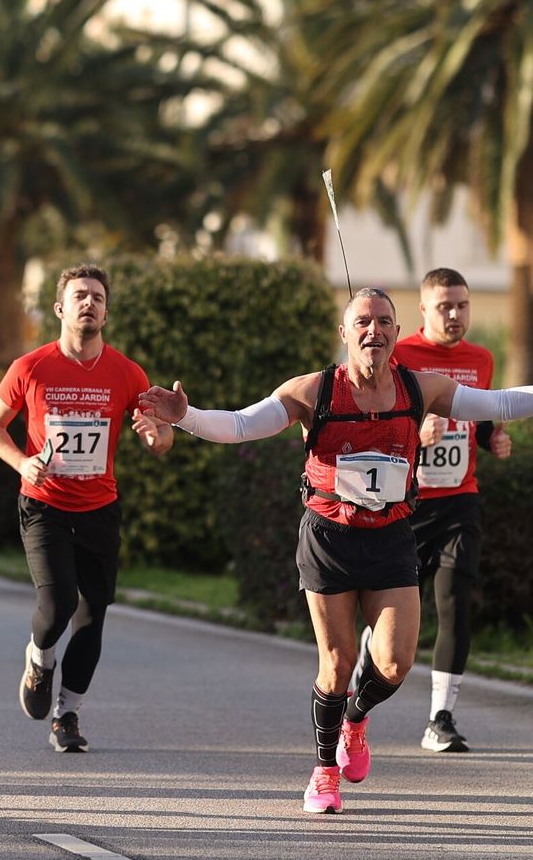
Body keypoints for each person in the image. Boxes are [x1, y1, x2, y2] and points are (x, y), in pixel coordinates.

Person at [140, 287, 533, 813]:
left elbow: (501, 403)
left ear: (397, 334)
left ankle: (355, 721)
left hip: (392, 535)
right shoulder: (315, 391)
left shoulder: (421, 388)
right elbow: (239, 425)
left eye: (384, 322)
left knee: (393, 663)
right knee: (338, 662)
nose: (374, 330)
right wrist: (186, 416)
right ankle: (324, 773)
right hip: (330, 538)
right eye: (363, 322)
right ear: (345, 333)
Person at [0, 264, 172, 753]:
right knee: (59, 601)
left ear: (106, 312)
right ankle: (40, 660)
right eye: (80, 295)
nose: (89, 303)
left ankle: (67, 716)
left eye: (98, 298)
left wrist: (155, 434)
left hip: (99, 507)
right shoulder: (31, 367)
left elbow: (157, 434)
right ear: (60, 308)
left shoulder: (128, 373)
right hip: (44, 504)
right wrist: (22, 464)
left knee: (93, 615)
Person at [390, 269, 512, 753]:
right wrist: (416, 435)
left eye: (462, 305)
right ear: (423, 310)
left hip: (461, 500)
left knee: (455, 603)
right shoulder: (401, 357)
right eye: (445, 306)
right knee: (395, 617)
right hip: (408, 504)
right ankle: (362, 677)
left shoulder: (480, 359)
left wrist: (492, 437)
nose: (456, 315)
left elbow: (479, 418)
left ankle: (441, 718)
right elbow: (383, 421)